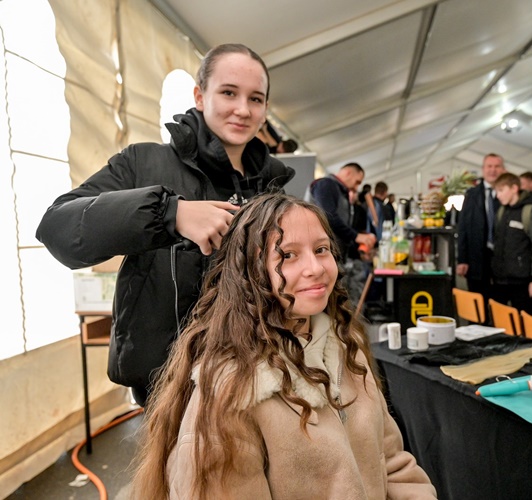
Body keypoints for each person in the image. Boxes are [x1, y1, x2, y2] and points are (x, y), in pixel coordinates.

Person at [35, 43, 295, 407]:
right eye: (228, 93)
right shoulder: (144, 164)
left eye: (256, 99)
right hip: (170, 386)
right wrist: (170, 213)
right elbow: (58, 227)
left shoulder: (275, 186)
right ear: (200, 96)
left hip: (259, 378)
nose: (242, 109)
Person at [130, 193, 437, 499]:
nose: (315, 268)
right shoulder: (231, 394)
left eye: (321, 249)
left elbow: (394, 465)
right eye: (288, 255)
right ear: (251, 271)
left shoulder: (345, 348)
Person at [308, 163, 377, 302]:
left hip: (333, 254)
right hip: (320, 256)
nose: (356, 187)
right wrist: (357, 237)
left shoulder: (339, 191)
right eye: (357, 181)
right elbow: (328, 216)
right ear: (347, 173)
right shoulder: (326, 185)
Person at [490, 173, 532, 315]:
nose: (498, 195)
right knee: (501, 321)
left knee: (524, 323)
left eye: (501, 190)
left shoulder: (531, 212)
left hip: (523, 281)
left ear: (514, 188)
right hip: (500, 279)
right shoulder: (502, 211)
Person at [457, 153, 506, 307]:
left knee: (501, 305)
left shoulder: (508, 194)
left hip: (502, 259)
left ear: (503, 169)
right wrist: (462, 259)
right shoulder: (471, 194)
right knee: (477, 307)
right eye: (489, 166)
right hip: (476, 259)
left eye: (497, 166)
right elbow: (463, 228)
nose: (493, 170)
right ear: (483, 169)